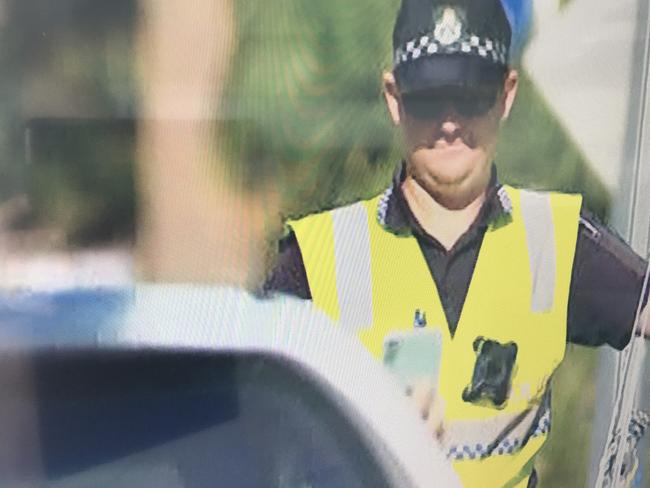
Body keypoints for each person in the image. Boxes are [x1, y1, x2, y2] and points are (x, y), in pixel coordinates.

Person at [264, 0, 649, 486]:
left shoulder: (555, 240)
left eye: (470, 94)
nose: (450, 121)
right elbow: (244, 418)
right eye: (429, 95)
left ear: (506, 94)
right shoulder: (317, 258)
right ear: (394, 97)